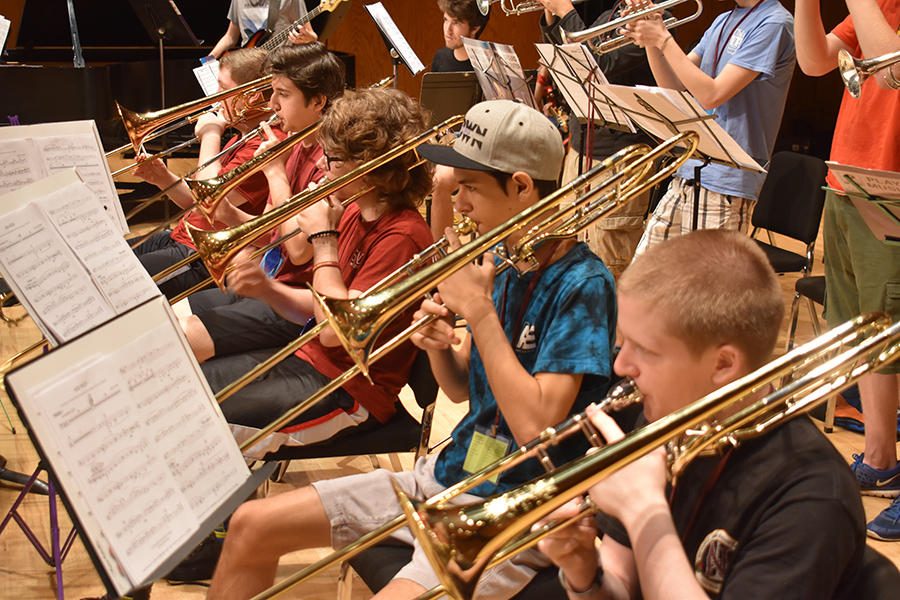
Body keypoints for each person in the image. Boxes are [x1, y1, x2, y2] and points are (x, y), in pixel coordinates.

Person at [205, 100, 617, 600]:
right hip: (450, 472)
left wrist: (480, 313)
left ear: (522, 186)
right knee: (251, 523)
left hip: (514, 505)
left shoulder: (583, 283)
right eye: (455, 188)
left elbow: (535, 426)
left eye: (470, 188)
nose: (458, 203)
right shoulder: (506, 257)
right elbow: (462, 389)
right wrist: (440, 347)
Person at [537, 229, 866, 600]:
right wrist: (585, 573)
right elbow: (619, 582)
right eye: (622, 341)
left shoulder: (813, 496)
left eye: (644, 349)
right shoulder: (668, 414)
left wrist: (644, 509)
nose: (622, 363)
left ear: (723, 364)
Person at [185, 87, 434, 460]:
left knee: (196, 426)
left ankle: (222, 512)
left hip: (350, 392)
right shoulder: (353, 207)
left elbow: (335, 333)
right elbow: (319, 310)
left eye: (331, 158)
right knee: (186, 391)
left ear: (369, 168)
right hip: (308, 357)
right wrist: (269, 291)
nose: (320, 165)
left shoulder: (403, 237)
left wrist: (325, 241)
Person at [794, 0, 900, 541]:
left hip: (894, 191)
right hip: (848, 181)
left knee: (893, 331)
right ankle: (881, 458)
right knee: (862, 331)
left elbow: (893, 66)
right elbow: (814, 62)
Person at [178, 41, 345, 316]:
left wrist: (275, 172)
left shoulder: (330, 161)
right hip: (269, 276)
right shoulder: (294, 141)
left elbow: (298, 250)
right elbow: (271, 233)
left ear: (317, 101)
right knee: (171, 314)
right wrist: (230, 215)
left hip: (299, 298)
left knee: (185, 329)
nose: (272, 104)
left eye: (283, 94)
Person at [625, 0, 795, 255]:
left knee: (707, 291)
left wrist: (663, 39)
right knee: (644, 281)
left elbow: (713, 95)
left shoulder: (774, 23)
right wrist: (651, 37)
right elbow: (672, 85)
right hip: (688, 170)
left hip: (727, 182)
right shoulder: (722, 20)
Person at [131, 48, 278, 300]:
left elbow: (211, 199)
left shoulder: (264, 145)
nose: (215, 98)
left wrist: (211, 134)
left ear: (251, 97)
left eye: (223, 90)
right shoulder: (244, 135)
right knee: (106, 262)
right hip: (182, 236)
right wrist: (163, 179)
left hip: (201, 257)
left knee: (118, 285)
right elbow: (198, 204)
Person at [538, 0, 667, 278]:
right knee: (566, 256)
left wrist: (565, 12)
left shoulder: (657, 21)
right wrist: (551, 14)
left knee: (608, 265)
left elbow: (598, 67)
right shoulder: (610, 15)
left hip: (620, 159)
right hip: (579, 149)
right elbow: (564, 59)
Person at [209, 0, 317, 59]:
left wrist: (306, 38)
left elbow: (312, 36)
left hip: (279, 67)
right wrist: (207, 60)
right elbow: (230, 37)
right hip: (247, 64)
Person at [431, 0, 491, 73]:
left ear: (475, 28)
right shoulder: (440, 57)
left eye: (456, 23)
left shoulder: (489, 66)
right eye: (446, 20)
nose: (447, 30)